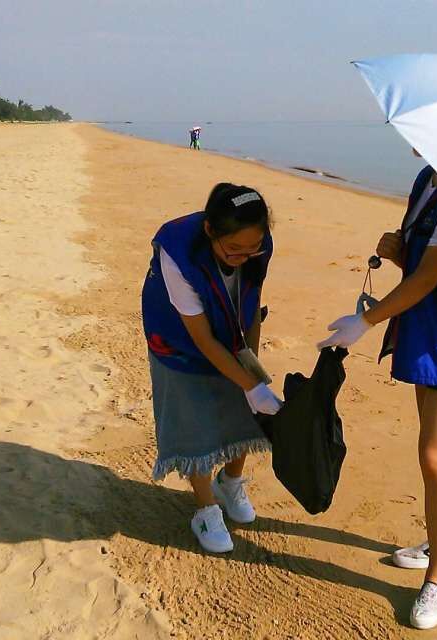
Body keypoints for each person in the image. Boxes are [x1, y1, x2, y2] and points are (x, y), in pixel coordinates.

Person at [318, 156, 437, 630]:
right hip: (428, 325)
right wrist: (400, 252)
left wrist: (365, 320)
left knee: (436, 454)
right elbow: (423, 264)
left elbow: (428, 277)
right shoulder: (429, 179)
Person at [141, 183, 282, 553]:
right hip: (179, 339)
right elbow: (202, 340)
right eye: (233, 249)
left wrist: (251, 369)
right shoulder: (177, 253)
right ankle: (205, 507)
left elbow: (251, 304)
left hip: (229, 327)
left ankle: (230, 483)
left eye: (251, 249)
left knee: (244, 413)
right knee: (196, 421)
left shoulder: (258, 247)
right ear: (210, 232)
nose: (243, 256)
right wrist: (252, 387)